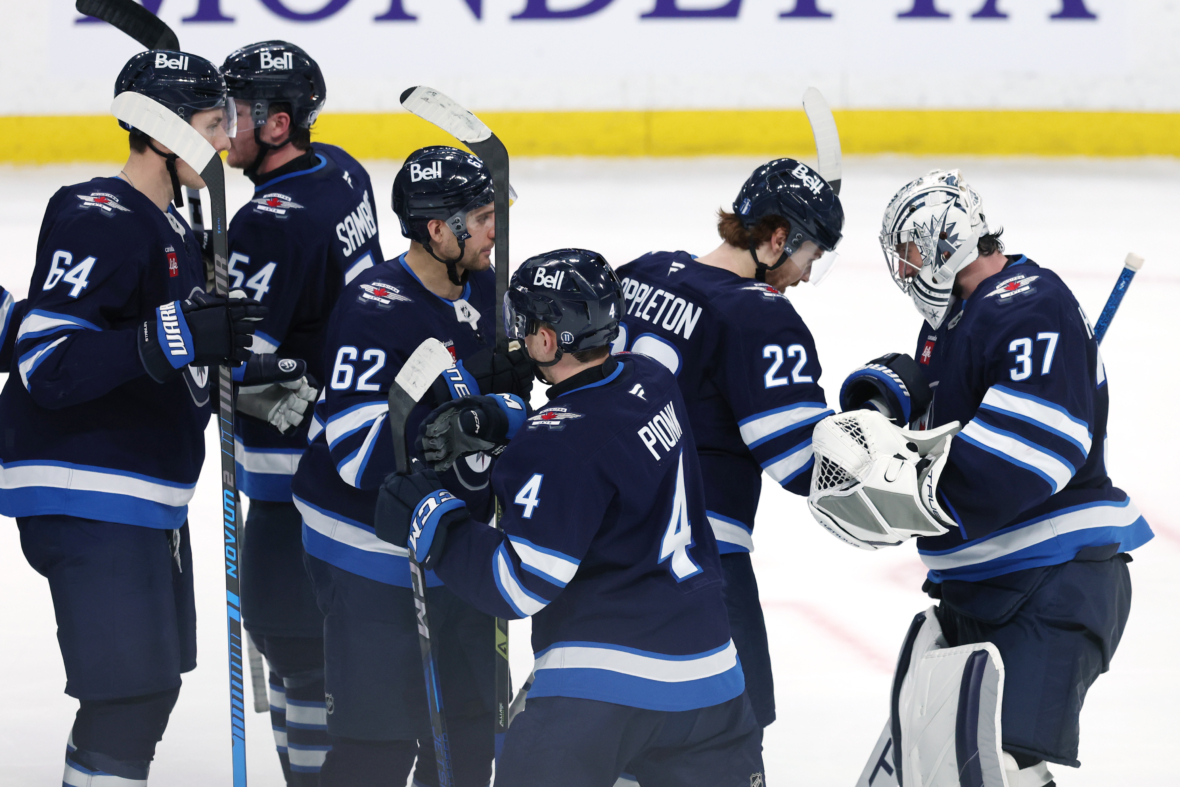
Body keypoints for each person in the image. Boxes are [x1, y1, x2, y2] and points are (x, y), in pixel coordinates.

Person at [809, 169, 1153, 786]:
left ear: (943, 242)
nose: (905, 268)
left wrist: (916, 494)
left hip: (1049, 581)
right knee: (944, 766)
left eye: (910, 251)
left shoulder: (1029, 304)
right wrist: (887, 412)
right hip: (986, 587)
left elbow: (1037, 450)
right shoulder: (955, 320)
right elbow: (944, 421)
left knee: (995, 770)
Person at [375, 248, 765, 787]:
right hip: (712, 681)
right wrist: (510, 417)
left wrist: (434, 521)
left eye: (524, 324)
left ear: (548, 339)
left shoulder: (555, 448)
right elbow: (600, 432)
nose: (517, 335)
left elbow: (519, 584)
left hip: (604, 691)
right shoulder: (653, 379)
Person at [0, 51, 261, 785]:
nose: (225, 140)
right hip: (88, 485)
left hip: (140, 493)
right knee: (128, 699)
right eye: (211, 124)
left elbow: (166, 356)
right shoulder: (101, 216)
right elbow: (48, 361)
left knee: (148, 691)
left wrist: (248, 377)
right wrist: (176, 335)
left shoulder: (168, 225)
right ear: (162, 131)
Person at [290, 145, 531, 786]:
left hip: (457, 545)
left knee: (469, 744)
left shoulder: (487, 287)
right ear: (437, 231)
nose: (495, 231)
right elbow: (357, 453)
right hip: (369, 553)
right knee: (378, 751)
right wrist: (466, 413)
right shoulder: (373, 308)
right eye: (481, 219)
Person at [612, 158, 843, 730]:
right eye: (809, 256)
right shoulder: (758, 315)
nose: (805, 276)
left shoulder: (641, 272)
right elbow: (801, 462)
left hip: (602, 547)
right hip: (697, 558)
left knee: (616, 739)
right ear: (777, 239)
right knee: (730, 740)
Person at [220, 39, 384, 785]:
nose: (219, 125)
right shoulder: (344, 170)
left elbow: (234, 362)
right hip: (350, 451)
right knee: (312, 657)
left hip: (289, 480)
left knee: (296, 652)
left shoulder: (269, 224)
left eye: (232, 111)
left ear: (277, 124)